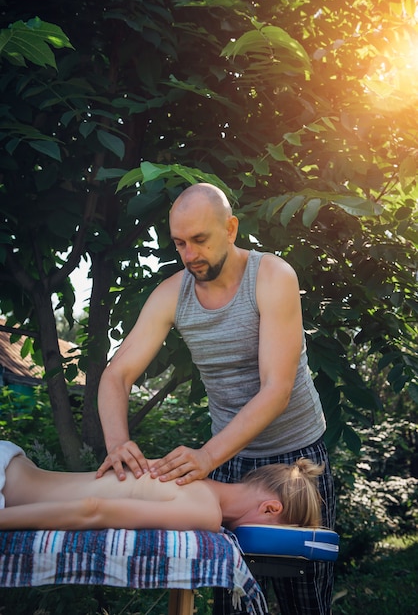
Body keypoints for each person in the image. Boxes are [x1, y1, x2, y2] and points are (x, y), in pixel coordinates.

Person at [96, 182, 336, 614]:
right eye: (180, 243)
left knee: (306, 600)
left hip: (297, 458)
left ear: (230, 228)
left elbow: (276, 390)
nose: (189, 255)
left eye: (200, 240)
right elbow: (117, 375)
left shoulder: (272, 276)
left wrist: (206, 457)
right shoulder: (172, 293)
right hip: (231, 460)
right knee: (232, 594)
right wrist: (118, 445)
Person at [0, 440, 324, 532]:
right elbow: (92, 510)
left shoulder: (193, 474)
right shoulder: (205, 512)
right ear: (271, 508)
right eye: (277, 531)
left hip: (11, 461)